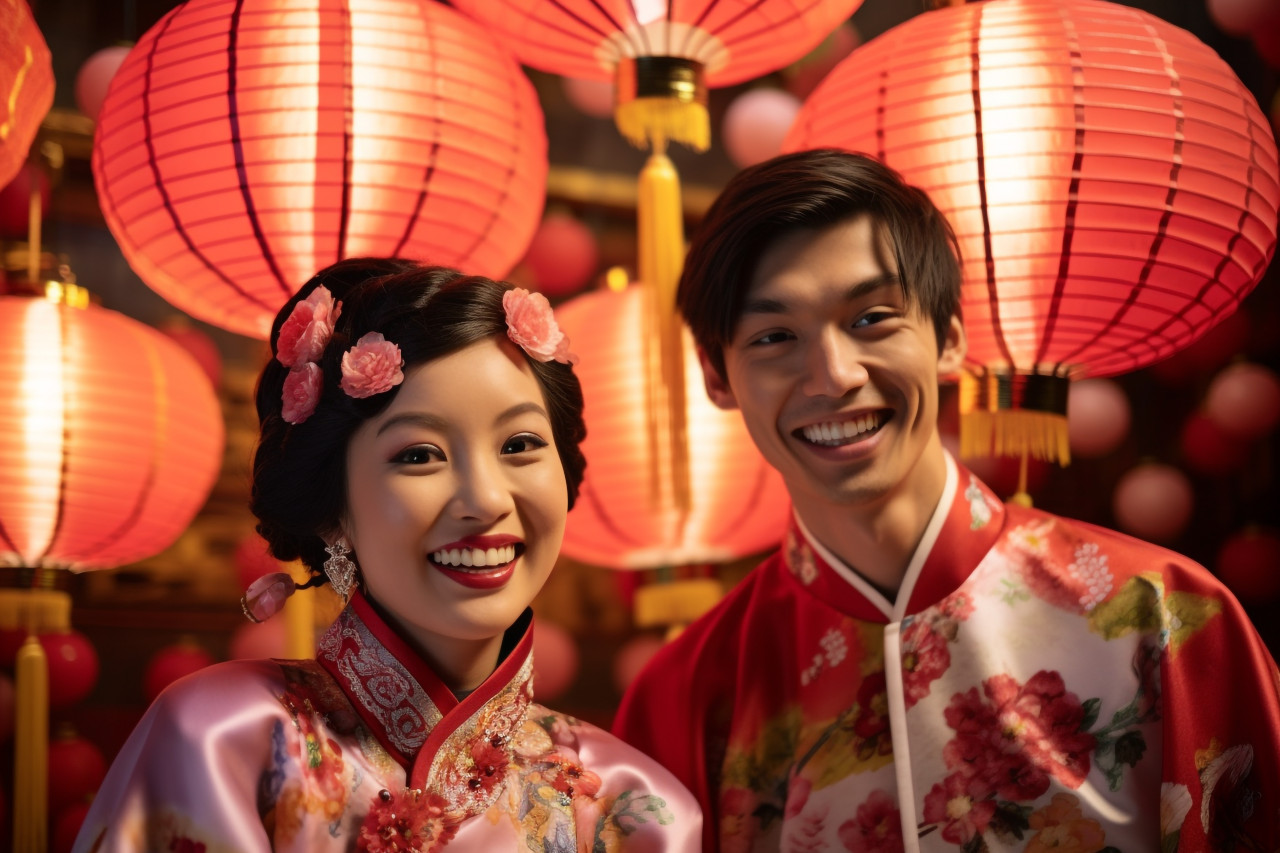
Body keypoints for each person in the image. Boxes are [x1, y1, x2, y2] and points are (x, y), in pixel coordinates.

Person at [612, 149, 1280, 852]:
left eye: (871, 318)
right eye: (776, 336)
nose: (834, 376)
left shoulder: (1162, 613)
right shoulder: (684, 697)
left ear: (950, 337)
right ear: (718, 376)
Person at [76, 259, 701, 852]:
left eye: (520, 444)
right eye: (419, 455)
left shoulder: (631, 807)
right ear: (333, 509)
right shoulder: (224, 741)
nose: (485, 500)